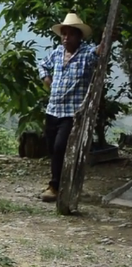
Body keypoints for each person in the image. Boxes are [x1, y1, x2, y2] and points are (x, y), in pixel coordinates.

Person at [37, 13, 108, 203]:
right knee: (53, 148)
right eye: (64, 34)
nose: (66, 38)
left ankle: (55, 186)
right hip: (53, 110)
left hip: (71, 113)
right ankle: (63, 181)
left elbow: (99, 52)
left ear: (79, 37)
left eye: (70, 34)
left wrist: (105, 40)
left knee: (61, 147)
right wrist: (46, 78)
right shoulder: (57, 52)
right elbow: (42, 64)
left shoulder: (86, 54)